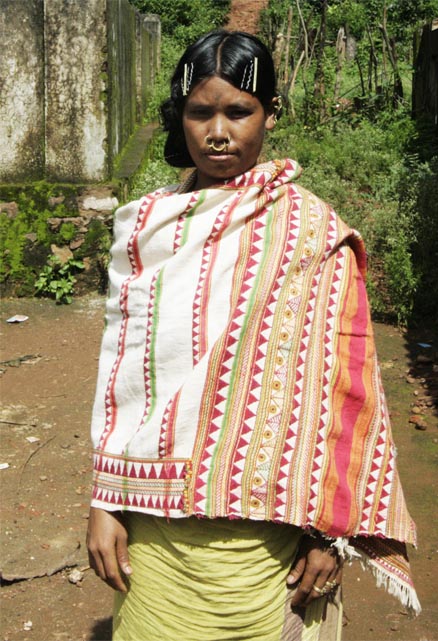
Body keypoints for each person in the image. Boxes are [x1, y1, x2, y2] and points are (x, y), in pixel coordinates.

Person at [87, 30, 420, 641]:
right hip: (152, 525)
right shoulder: (147, 229)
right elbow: (123, 378)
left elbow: (347, 389)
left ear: (270, 114)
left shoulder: (311, 233)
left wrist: (328, 532)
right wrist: (104, 500)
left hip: (268, 534)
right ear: (180, 116)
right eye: (200, 113)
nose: (218, 132)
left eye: (239, 111)